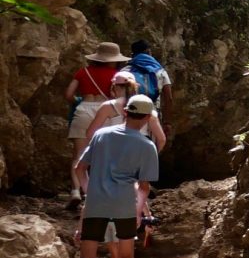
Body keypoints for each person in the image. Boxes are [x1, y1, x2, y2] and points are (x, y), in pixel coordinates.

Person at [62, 94, 159, 258]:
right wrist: (137, 211)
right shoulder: (147, 145)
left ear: (125, 112)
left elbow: (80, 167)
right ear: (147, 118)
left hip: (96, 203)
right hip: (124, 204)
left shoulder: (101, 135)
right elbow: (144, 186)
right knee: (126, 257)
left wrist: (89, 192)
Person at [63, 41, 129, 204]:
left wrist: (79, 101)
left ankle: (75, 192)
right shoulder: (116, 75)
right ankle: (96, 192)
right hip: (107, 112)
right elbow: (118, 97)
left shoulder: (83, 72)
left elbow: (68, 94)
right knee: (103, 155)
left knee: (78, 155)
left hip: (84, 109)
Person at [84, 70, 169, 153]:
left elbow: (90, 134)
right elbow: (161, 139)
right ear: (135, 87)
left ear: (115, 88)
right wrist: (151, 156)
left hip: (113, 152)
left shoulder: (107, 106)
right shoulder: (147, 107)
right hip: (138, 152)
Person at [126, 40, 173, 127]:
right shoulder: (160, 71)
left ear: (133, 54)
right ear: (148, 52)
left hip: (130, 115)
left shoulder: (126, 70)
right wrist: (167, 122)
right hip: (152, 115)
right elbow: (168, 98)